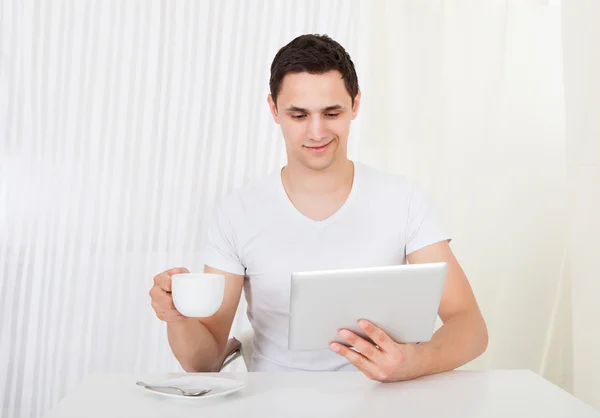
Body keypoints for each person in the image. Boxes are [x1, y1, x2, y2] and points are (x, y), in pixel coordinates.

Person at [149, 34, 488, 382]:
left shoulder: (404, 200)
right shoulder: (238, 213)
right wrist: (178, 317)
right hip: (275, 402)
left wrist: (415, 361)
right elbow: (202, 364)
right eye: (298, 115)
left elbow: (470, 327)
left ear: (355, 105)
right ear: (273, 109)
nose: (316, 132)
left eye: (331, 113)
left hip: (385, 401)